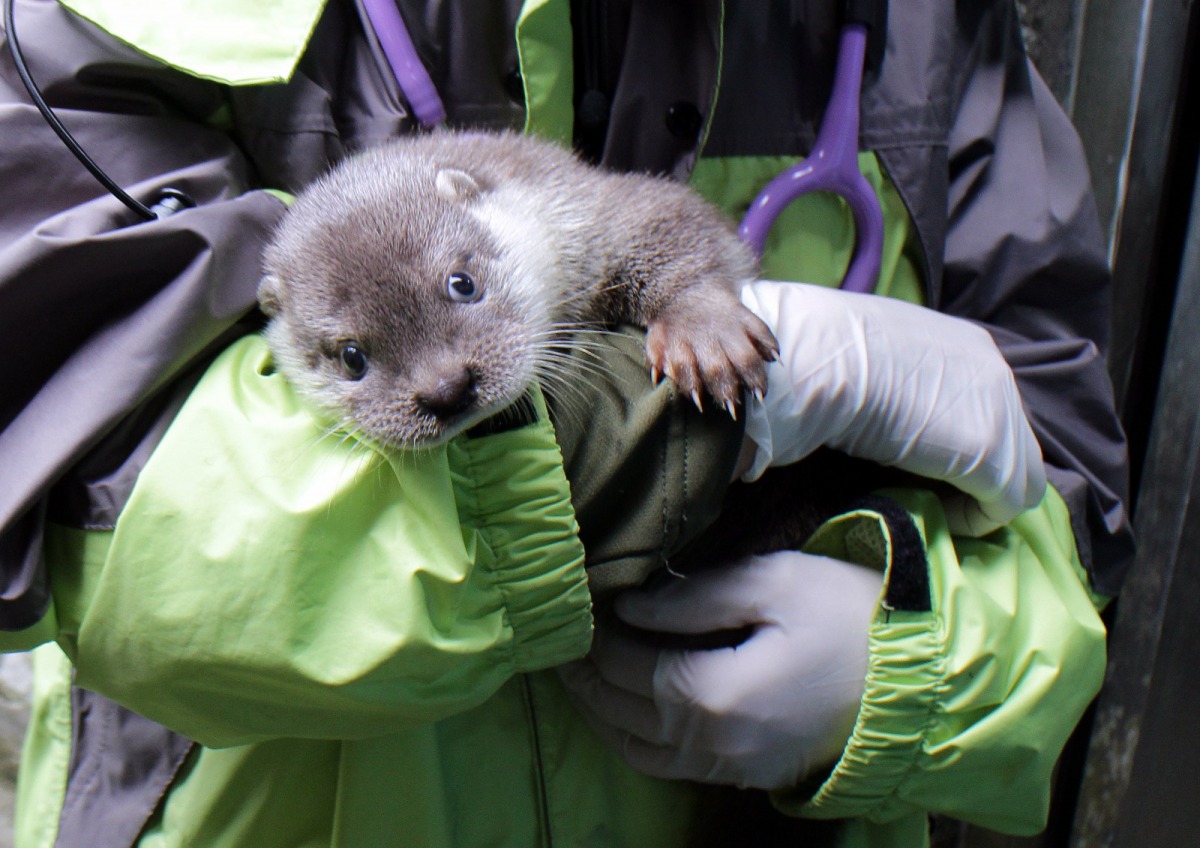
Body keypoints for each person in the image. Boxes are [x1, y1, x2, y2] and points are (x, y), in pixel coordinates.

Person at [0, 1, 1131, 846]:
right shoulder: (91, 24)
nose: (443, 389)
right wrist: (684, 432)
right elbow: (100, 514)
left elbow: (1072, 496)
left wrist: (911, 663)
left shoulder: (938, 26)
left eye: (454, 307)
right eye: (357, 360)